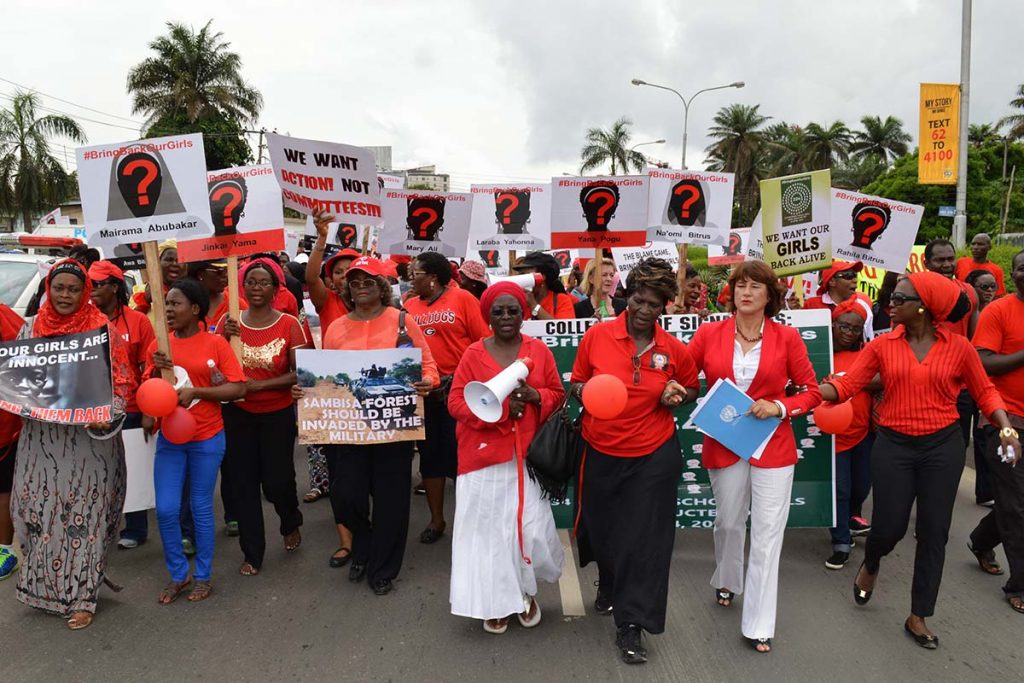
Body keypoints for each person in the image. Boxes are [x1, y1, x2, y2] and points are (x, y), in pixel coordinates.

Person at [819, 271, 1019, 649]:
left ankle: (918, 615)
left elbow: (985, 391)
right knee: (888, 528)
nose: (889, 305)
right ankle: (873, 561)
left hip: (942, 447)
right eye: (891, 299)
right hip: (894, 446)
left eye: (899, 299)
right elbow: (848, 384)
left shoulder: (959, 347)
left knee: (934, 531)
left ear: (924, 307)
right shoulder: (881, 346)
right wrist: (813, 394)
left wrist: (1005, 425)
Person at [686, 260, 823, 654]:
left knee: (766, 536)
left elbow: (811, 391)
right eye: (740, 286)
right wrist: (676, 387)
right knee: (729, 523)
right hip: (725, 444)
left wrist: (779, 407)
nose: (745, 293)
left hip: (773, 447)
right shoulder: (710, 333)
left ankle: (759, 623)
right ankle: (728, 578)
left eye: (755, 287)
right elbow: (683, 370)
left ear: (770, 296)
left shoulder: (787, 339)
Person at [569, 257, 700, 664]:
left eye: (654, 304)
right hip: (601, 449)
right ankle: (608, 580)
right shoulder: (598, 338)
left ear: (664, 307)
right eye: (638, 301)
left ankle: (632, 624)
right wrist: (590, 393)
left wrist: (677, 393)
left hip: (654, 455)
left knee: (646, 543)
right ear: (627, 297)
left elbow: (692, 388)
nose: (644, 310)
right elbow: (575, 382)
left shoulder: (673, 349)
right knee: (602, 531)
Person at [300, 255, 438, 595]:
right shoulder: (336, 328)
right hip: (347, 431)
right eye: (355, 282)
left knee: (392, 501)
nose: (360, 286)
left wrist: (428, 382)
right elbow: (324, 376)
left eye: (368, 281)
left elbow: (429, 366)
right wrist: (305, 390)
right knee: (346, 497)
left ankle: (382, 568)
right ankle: (363, 545)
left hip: (392, 427)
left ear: (382, 287)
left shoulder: (402, 321)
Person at [11, 259, 135, 629]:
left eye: (74, 289)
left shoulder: (101, 330)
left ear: (85, 294)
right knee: (35, 512)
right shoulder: (30, 327)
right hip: (40, 439)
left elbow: (122, 384)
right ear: (49, 289)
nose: (65, 295)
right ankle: (45, 590)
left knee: (84, 518)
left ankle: (83, 596)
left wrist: (108, 412)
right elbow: (16, 380)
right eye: (59, 288)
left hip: (88, 446)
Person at [447, 282, 565, 633]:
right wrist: (499, 411)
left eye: (512, 310)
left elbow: (558, 394)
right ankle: (494, 602)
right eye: (498, 311)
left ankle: (525, 593)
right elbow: (455, 403)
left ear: (523, 313)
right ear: (488, 316)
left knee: (526, 532)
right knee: (488, 536)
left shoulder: (538, 350)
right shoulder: (472, 354)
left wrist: (534, 395)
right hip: (482, 460)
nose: (506, 317)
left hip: (527, 459)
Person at [143, 279, 246, 605]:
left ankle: (202, 576)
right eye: (167, 304)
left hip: (207, 437)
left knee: (201, 507)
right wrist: (155, 375)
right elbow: (150, 391)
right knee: (167, 509)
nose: (169, 310)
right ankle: (178, 574)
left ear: (196, 309)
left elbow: (238, 388)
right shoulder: (160, 345)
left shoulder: (215, 344)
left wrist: (197, 393)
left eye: (176, 304)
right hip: (170, 440)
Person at [220, 259, 308, 576]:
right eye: (251, 282)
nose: (257, 288)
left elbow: (300, 374)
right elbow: (214, 369)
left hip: (277, 415)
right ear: (243, 287)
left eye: (263, 282)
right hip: (237, 415)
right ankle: (252, 552)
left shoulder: (289, 325)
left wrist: (260, 384)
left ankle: (290, 520)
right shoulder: (228, 323)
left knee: (277, 481)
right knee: (243, 484)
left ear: (275, 289)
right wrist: (223, 342)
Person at [404, 251, 489, 545]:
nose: (410, 278)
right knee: (430, 458)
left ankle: (470, 522)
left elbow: (482, 340)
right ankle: (436, 519)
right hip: (425, 392)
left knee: (462, 457)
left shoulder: (463, 299)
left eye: (415, 274)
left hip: (459, 391)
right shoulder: (408, 306)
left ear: (434, 277)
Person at [968, 249, 1024, 613]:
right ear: (1013, 274)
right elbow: (983, 362)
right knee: (1017, 504)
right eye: (1022, 267)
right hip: (1005, 420)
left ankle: (980, 538)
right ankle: (1018, 584)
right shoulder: (999, 311)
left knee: (1014, 501)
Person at [88, 260, 157, 550]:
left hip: (130, 409)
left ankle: (136, 527)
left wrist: (148, 410)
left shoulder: (139, 321)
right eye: (88, 285)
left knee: (132, 468)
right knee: (97, 470)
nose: (91, 290)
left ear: (115, 287)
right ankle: (101, 527)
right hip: (93, 411)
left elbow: (149, 366)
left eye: (97, 284)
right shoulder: (83, 321)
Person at [925, 238, 987, 503]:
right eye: (940, 259)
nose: (947, 264)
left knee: (954, 451)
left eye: (950, 258)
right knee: (926, 452)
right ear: (927, 263)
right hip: (923, 386)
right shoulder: (916, 293)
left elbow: (976, 344)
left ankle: (939, 503)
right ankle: (926, 499)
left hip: (959, 390)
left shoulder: (969, 294)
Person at [823, 298, 880, 570]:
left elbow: (883, 378)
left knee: (861, 486)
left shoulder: (868, 353)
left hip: (863, 434)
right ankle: (841, 543)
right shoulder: (821, 353)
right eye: (843, 326)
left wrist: (849, 383)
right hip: (833, 437)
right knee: (841, 490)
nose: (848, 332)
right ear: (832, 325)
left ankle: (848, 519)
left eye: (855, 329)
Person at [0, 303, 25, 581]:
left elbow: (24, 358)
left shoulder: (4, 316)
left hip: (6, 424)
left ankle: (5, 550)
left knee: (3, 488)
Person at [804, 260, 874, 340]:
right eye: (848, 276)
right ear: (832, 281)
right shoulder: (811, 304)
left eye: (855, 275)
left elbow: (868, 340)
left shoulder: (863, 306)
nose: (855, 280)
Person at [510, 252, 575, 320]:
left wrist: (533, 305)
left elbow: (562, 329)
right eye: (520, 275)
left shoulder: (561, 301)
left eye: (525, 275)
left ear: (541, 277)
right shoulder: (517, 302)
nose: (521, 278)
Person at [188, 260, 247, 333]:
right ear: (200, 275)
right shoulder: (185, 305)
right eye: (219, 271)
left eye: (226, 270)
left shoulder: (236, 304)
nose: (225, 275)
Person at [131, 239, 182, 316]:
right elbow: (131, 323)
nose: (175, 264)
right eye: (169, 260)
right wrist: (144, 301)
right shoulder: (141, 292)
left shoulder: (193, 292)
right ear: (158, 263)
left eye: (180, 260)